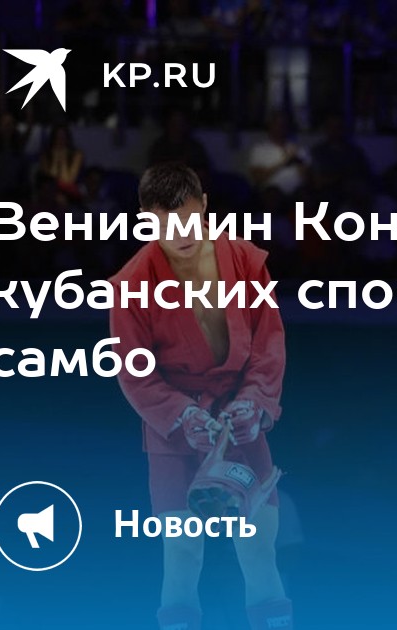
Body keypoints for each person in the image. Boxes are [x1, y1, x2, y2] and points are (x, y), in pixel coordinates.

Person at [109, 163, 293, 630]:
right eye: (165, 225)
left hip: (240, 418)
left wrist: (255, 402)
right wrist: (183, 415)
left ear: (205, 205)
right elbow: (134, 372)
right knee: (182, 553)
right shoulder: (131, 283)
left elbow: (269, 342)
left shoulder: (245, 260)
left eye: (188, 220)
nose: (181, 235)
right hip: (173, 426)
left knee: (259, 546)